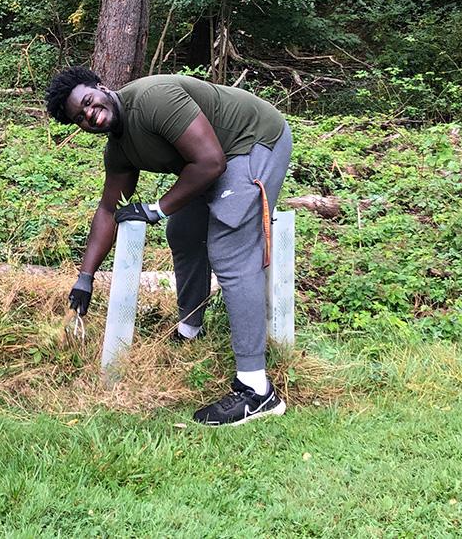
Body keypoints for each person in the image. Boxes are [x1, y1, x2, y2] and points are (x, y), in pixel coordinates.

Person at [45, 67, 293, 426]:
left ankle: (256, 390)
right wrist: (86, 277)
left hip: (253, 142)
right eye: (80, 117)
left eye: (88, 102)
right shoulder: (120, 149)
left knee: (229, 248)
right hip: (215, 157)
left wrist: (155, 209)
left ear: (102, 87)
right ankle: (191, 329)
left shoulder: (152, 100)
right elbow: (108, 208)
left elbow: (210, 162)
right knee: (183, 232)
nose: (90, 114)